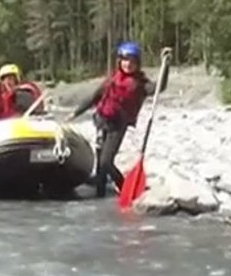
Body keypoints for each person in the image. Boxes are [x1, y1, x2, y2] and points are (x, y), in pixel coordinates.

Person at [69, 42, 171, 197]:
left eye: (132, 61)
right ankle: (100, 195)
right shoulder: (112, 80)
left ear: (137, 63)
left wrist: (166, 66)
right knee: (101, 166)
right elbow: (94, 97)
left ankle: (124, 188)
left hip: (118, 125)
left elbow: (159, 88)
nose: (128, 64)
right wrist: (76, 113)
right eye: (125, 60)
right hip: (101, 120)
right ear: (119, 61)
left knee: (106, 162)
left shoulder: (141, 84)